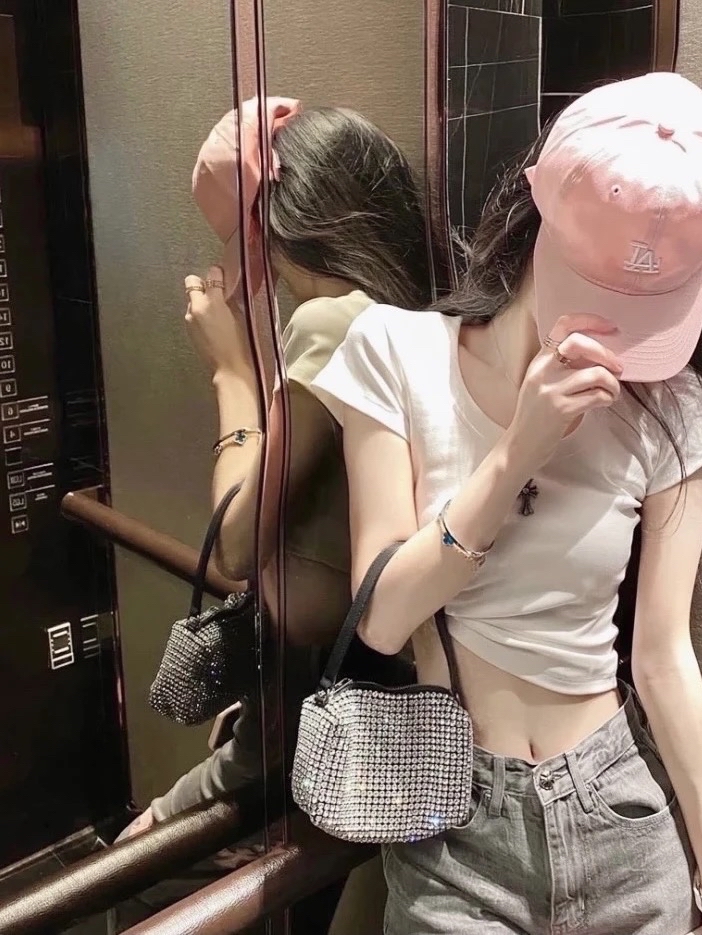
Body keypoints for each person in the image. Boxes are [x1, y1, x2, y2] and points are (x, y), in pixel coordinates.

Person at [311, 72, 702, 935]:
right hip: (454, 825)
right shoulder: (395, 352)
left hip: (618, 812)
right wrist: (517, 451)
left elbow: (663, 655)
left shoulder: (669, 408)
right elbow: (381, 616)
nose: (621, 331)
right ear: (535, 210)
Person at [117, 100, 439, 934]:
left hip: (305, 704)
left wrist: (229, 374)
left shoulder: (332, 321)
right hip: (378, 694)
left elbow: (236, 541)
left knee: (141, 876)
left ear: (285, 228)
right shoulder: (425, 310)